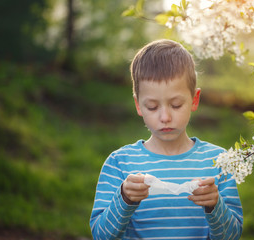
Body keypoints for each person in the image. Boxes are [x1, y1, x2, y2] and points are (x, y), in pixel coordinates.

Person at [90, 39, 243, 239]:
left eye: (176, 105)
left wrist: (215, 205)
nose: (165, 117)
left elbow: (232, 235)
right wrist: (124, 199)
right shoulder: (120, 163)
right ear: (138, 106)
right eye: (152, 107)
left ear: (194, 100)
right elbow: (101, 235)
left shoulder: (218, 162)